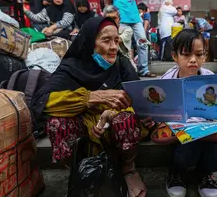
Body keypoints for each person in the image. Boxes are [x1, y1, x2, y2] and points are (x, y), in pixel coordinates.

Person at [30, 17, 150, 197]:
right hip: (84, 131)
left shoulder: (121, 64)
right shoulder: (71, 67)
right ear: (89, 41)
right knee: (57, 124)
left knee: (126, 119)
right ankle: (79, 170)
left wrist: (108, 115)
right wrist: (90, 98)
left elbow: (137, 99)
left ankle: (128, 168)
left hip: (113, 130)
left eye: (116, 40)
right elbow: (41, 102)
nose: (114, 47)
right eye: (106, 40)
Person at [160, 29, 217, 197]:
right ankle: (176, 173)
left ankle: (205, 174)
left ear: (205, 55)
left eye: (199, 54)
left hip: (207, 132)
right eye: (186, 55)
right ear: (175, 56)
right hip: (181, 136)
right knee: (186, 155)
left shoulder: (213, 80)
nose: (193, 60)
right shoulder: (165, 82)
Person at [105, 0, 155, 77]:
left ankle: (143, 70)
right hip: (120, 15)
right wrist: (110, 10)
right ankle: (120, 70)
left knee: (143, 42)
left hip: (134, 16)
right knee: (120, 44)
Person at [103, 5, 137, 71]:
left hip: (124, 64)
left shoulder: (127, 30)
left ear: (119, 19)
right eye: (108, 18)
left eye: (114, 18)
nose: (111, 21)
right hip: (106, 63)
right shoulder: (100, 31)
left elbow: (117, 40)